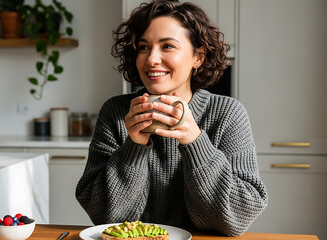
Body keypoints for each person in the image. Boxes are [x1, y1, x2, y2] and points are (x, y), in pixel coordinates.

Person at [75, 0, 267, 237]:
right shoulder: (116, 113)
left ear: (198, 57)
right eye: (143, 47)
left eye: (167, 46)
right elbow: (106, 218)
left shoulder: (228, 113)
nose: (152, 59)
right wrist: (134, 146)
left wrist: (195, 141)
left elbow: (237, 219)